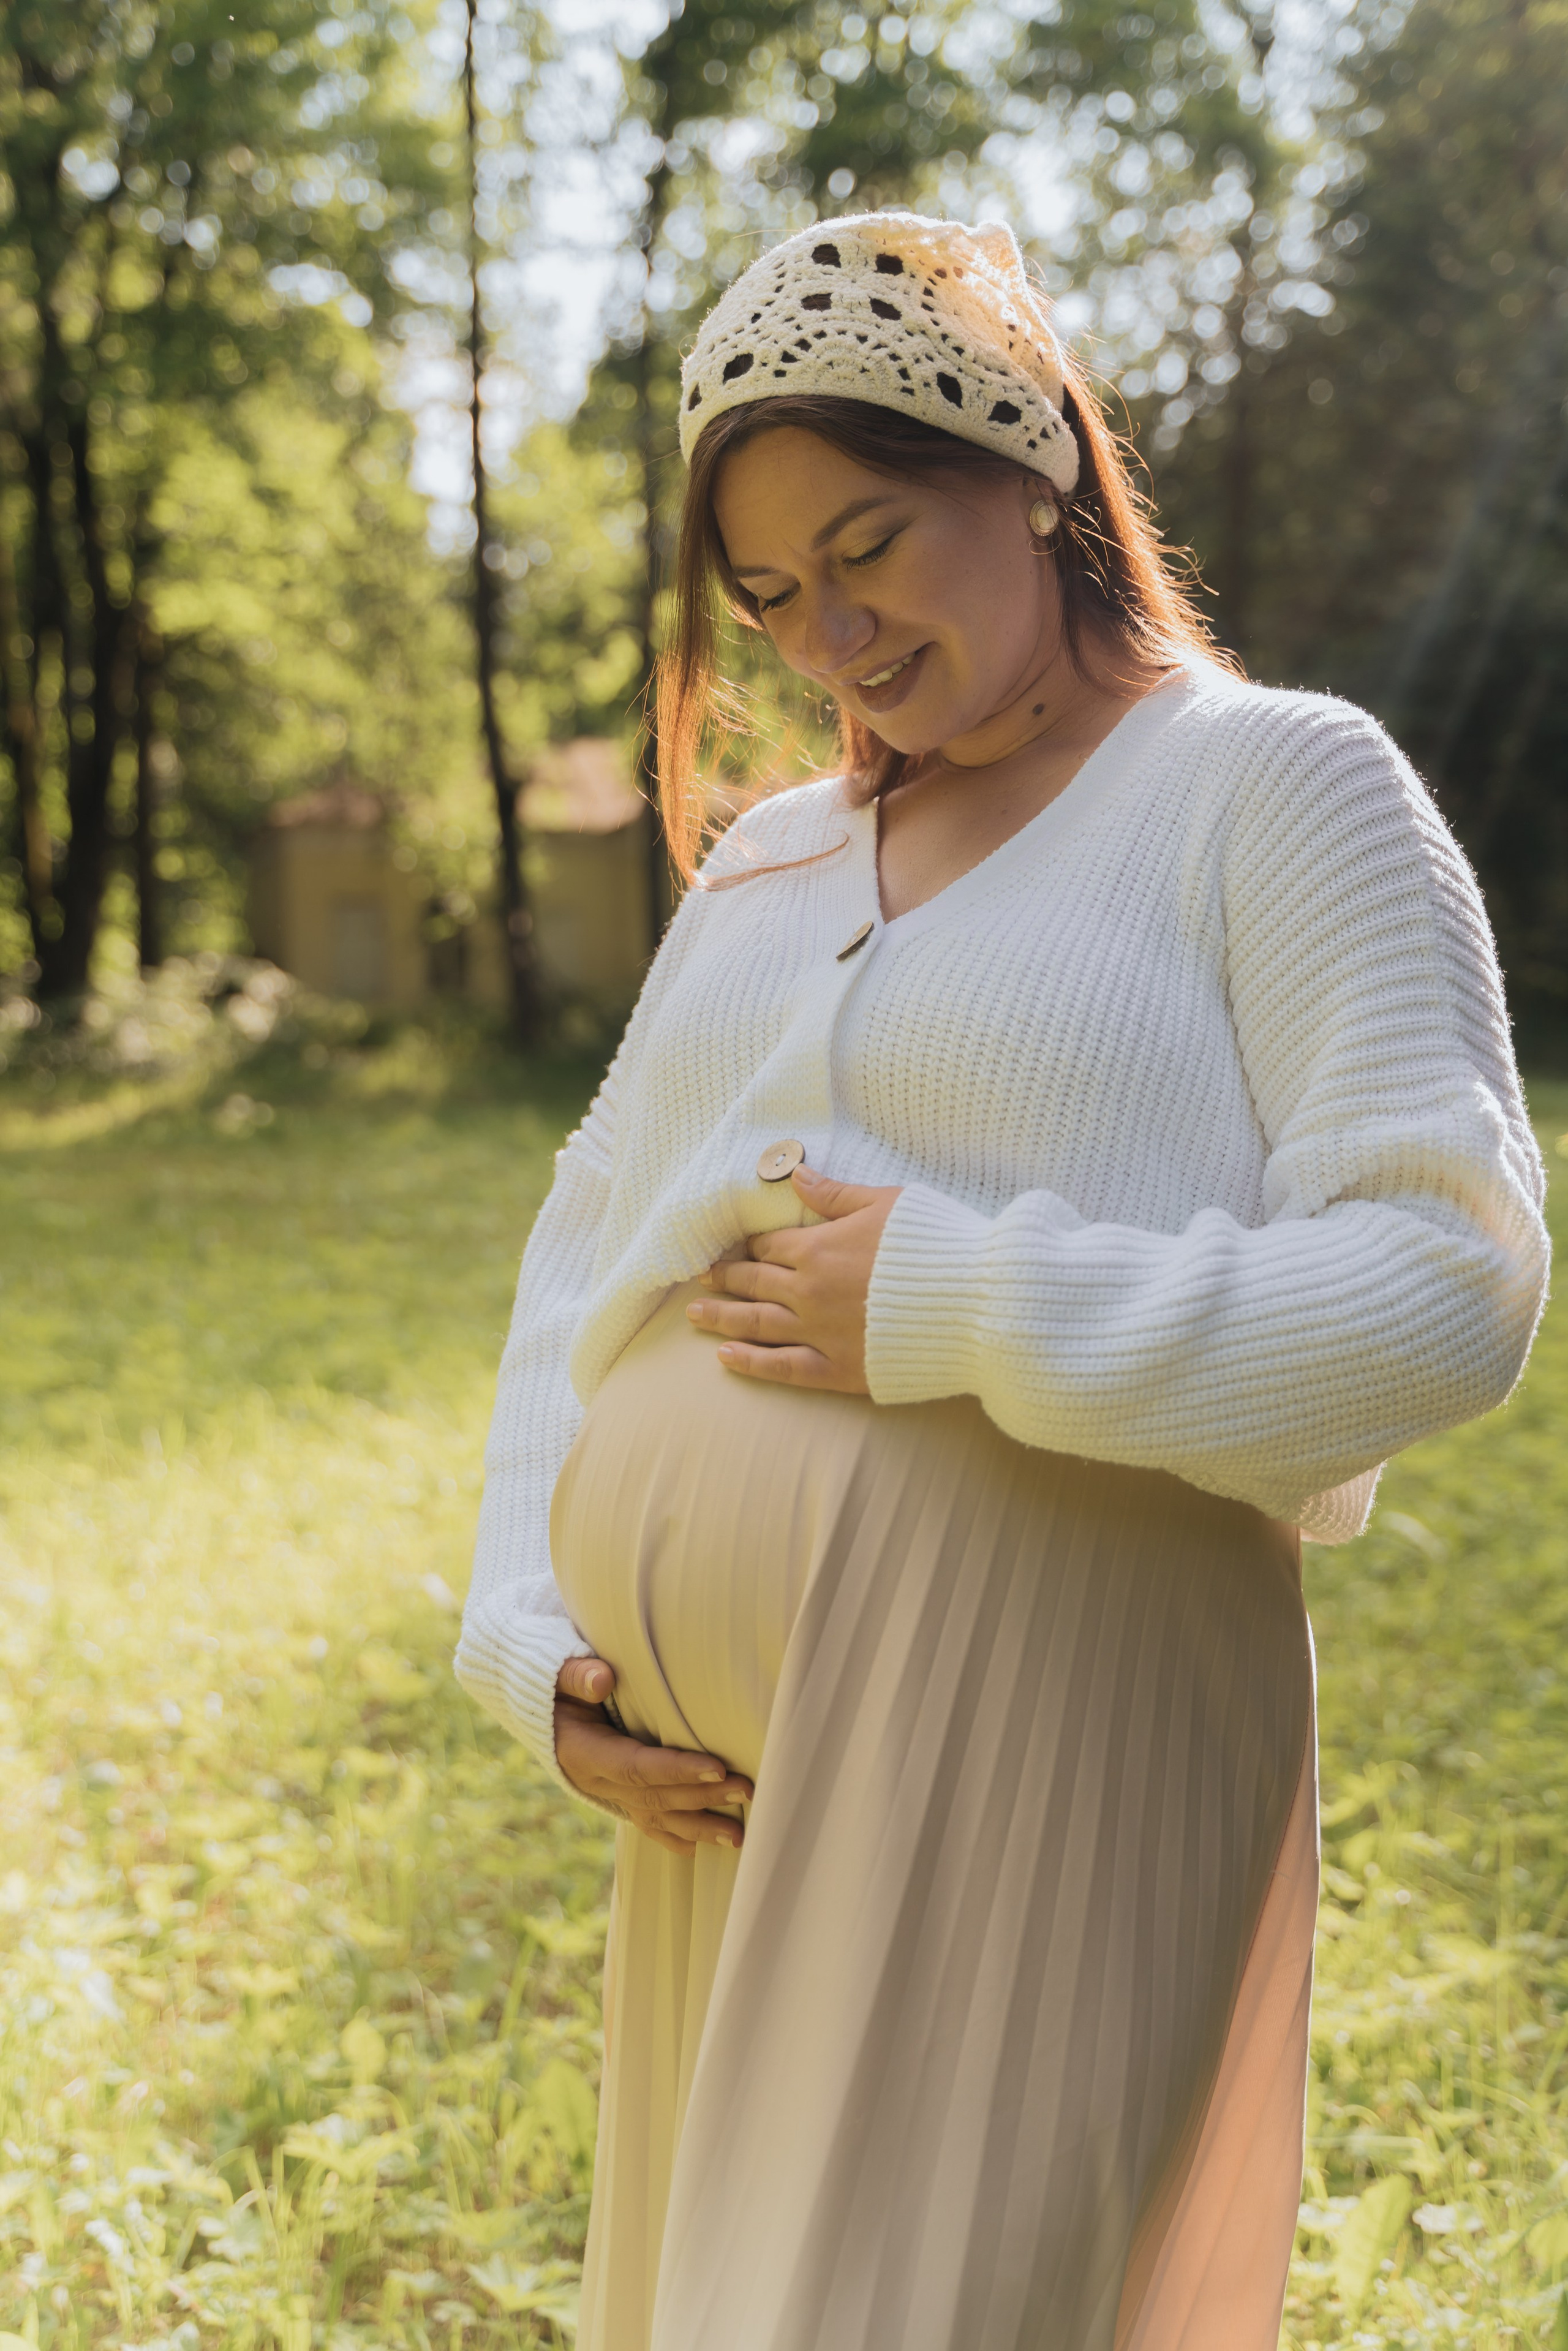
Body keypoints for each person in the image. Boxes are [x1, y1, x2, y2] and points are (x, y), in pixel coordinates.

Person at [455, 212, 1548, 2351]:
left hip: (1060, 1750)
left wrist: (955, 1302)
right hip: (731, 1808)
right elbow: (588, 1241)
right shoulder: (768, 862)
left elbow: (1448, 1284)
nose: (829, 634)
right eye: (771, 596)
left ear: (1036, 459)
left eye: (870, 543)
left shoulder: (1277, 788)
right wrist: (530, 1644)